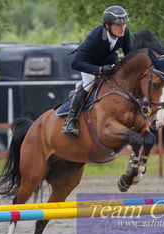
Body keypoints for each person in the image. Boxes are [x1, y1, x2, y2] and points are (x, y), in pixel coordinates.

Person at [63, 5, 132, 137]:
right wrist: (99, 70)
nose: (122, 28)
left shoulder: (125, 34)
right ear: (107, 26)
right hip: (89, 64)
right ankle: (70, 121)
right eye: (118, 25)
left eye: (123, 24)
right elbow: (76, 63)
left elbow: (130, 54)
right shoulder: (95, 37)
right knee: (88, 86)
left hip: (108, 62)